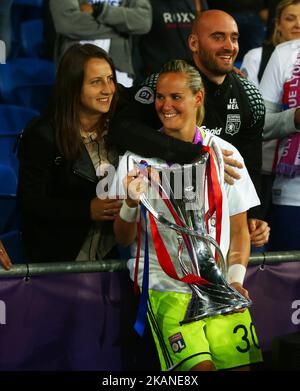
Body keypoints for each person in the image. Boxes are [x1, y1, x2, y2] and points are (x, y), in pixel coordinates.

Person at [111, 60, 262, 371]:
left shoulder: (224, 153)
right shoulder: (136, 159)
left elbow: (239, 231)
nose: (165, 105)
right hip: (167, 289)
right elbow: (123, 238)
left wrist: (234, 281)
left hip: (219, 287)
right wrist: (128, 202)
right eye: (160, 97)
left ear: (198, 98)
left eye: (175, 97)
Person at [109, 9, 270, 248]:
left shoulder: (250, 96)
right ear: (194, 43)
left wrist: (255, 214)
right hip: (160, 231)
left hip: (218, 226)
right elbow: (122, 129)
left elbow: (251, 163)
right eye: (218, 37)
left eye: (234, 38)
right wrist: (196, 155)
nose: (229, 46)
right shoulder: (164, 83)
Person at [15, 43, 122, 264]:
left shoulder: (122, 128)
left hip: (110, 260)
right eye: (96, 82)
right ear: (73, 86)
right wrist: (86, 210)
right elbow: (31, 202)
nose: (108, 89)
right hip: (58, 263)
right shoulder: (43, 134)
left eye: (110, 79)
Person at [241, 0, 300, 221]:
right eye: (290, 18)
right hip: (264, 170)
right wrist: (294, 117)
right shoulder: (259, 56)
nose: (297, 25)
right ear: (277, 24)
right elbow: (256, 119)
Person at [49, 0, 152, 86]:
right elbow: (67, 23)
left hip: (118, 69)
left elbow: (143, 21)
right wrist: (120, 29)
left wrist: (100, 11)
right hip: (74, 67)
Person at [259, 38, 300, 251]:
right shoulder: (285, 54)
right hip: (292, 196)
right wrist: (295, 118)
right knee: (289, 282)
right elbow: (260, 124)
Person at [133, 0, 209, 83]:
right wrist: (139, 78)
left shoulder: (198, 2)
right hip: (156, 80)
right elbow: (134, 43)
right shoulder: (145, 3)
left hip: (191, 80)